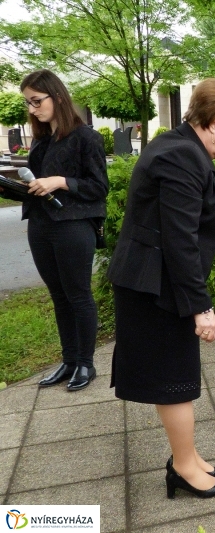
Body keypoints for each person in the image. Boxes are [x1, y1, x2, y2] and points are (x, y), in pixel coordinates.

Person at [107, 78, 215, 500]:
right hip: (155, 287)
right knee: (175, 381)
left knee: (177, 378)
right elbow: (179, 240)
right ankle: (184, 468)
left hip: (157, 280)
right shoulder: (181, 155)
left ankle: (187, 457)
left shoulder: (180, 145)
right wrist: (201, 308)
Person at [0, 70, 109, 392]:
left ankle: (86, 364)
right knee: (59, 296)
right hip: (40, 225)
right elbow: (38, 185)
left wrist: (60, 181)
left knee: (78, 295)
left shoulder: (86, 138)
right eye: (28, 103)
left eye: (37, 101)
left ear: (57, 97)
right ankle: (69, 360)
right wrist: (16, 188)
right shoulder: (42, 140)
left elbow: (99, 187)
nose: (32, 109)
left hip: (73, 226)